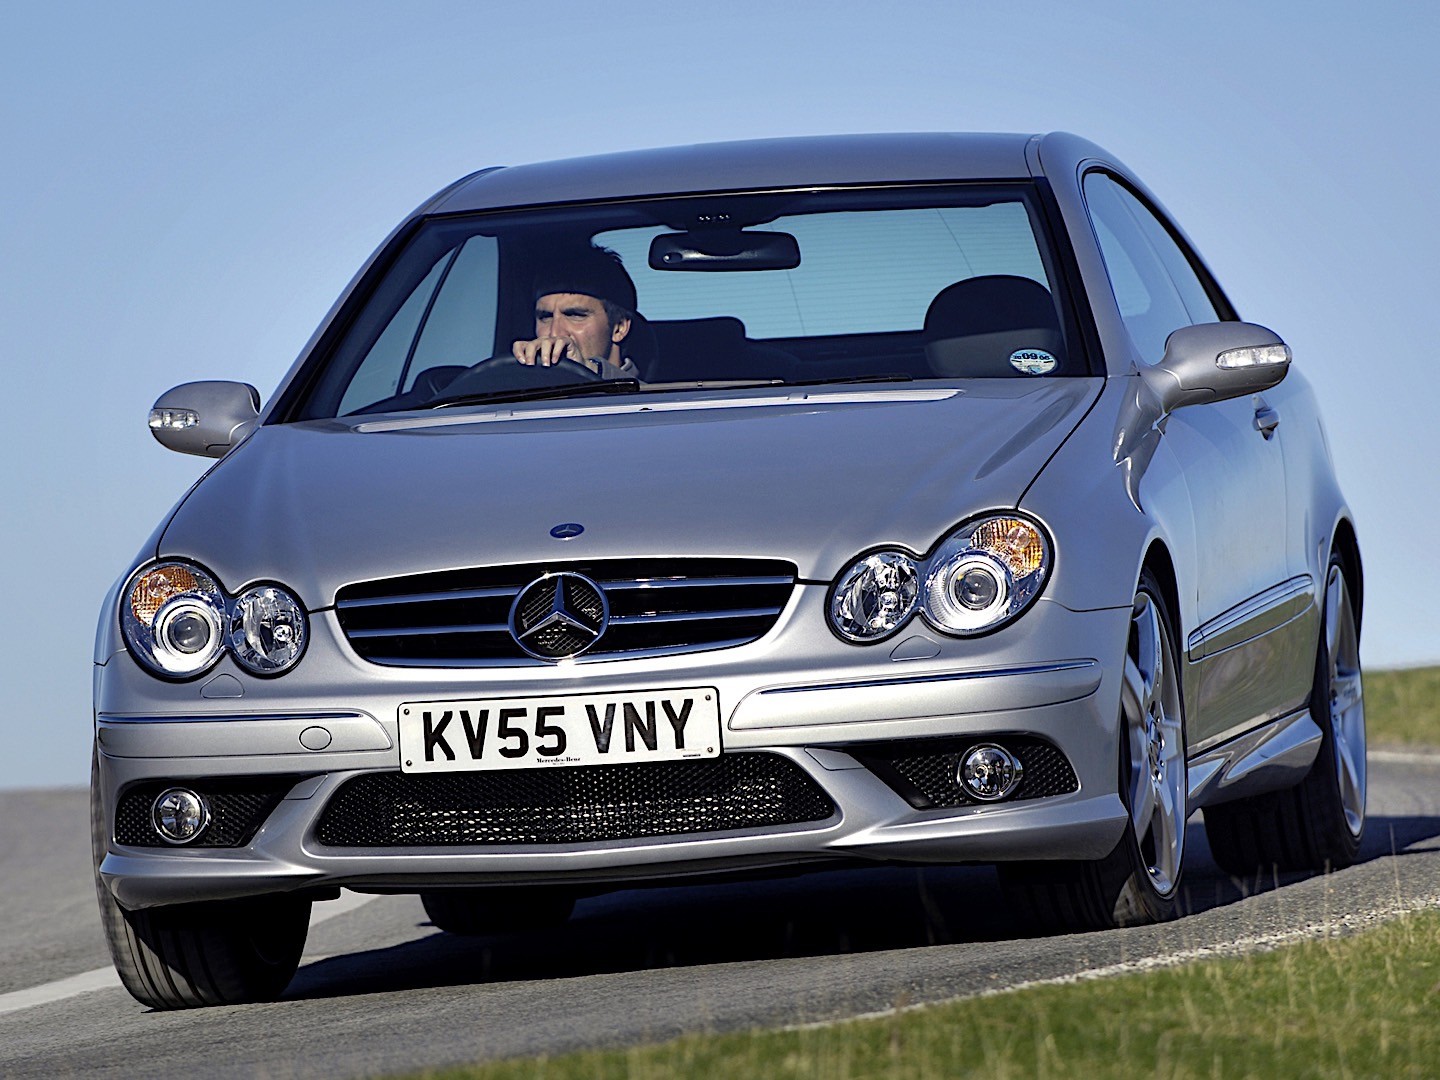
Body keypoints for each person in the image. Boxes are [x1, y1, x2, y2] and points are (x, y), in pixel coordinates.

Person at [513, 246, 642, 379]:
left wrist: (588, 370)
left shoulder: (653, 397)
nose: (555, 333)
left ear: (619, 328)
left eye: (575, 315)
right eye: (545, 317)